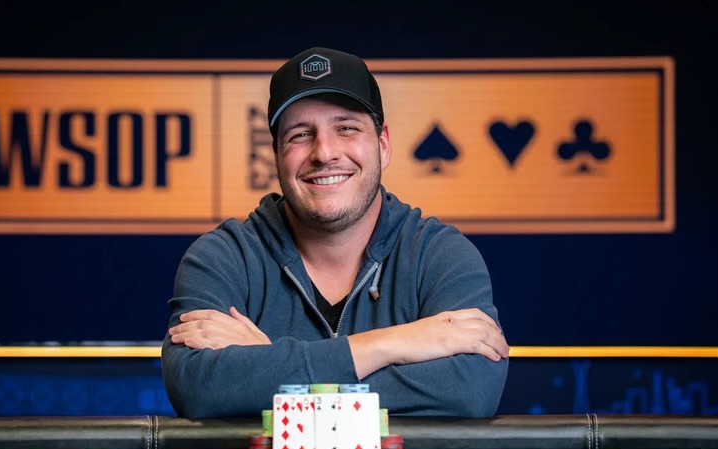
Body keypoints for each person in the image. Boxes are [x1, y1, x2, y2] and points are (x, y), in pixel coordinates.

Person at [161, 46, 509, 419]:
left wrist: (266, 367)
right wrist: (393, 344)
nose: (324, 153)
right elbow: (198, 388)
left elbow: (470, 390)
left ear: (383, 144)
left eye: (346, 128)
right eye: (300, 135)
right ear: (276, 155)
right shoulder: (224, 257)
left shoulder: (439, 255)